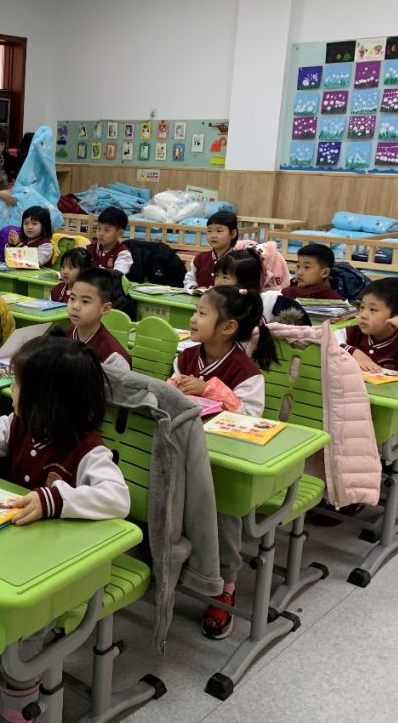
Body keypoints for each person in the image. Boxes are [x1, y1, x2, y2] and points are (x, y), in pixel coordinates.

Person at [0, 336, 129, 721]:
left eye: (17, 383)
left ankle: (19, 700)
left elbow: (118, 497)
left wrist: (55, 500)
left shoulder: (88, 449)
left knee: (31, 627)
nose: (10, 389)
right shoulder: (18, 424)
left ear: (48, 398)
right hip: (7, 553)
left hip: (55, 569)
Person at [169, 286, 276, 640]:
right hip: (187, 449)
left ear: (228, 327)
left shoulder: (246, 371)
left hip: (226, 461)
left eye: (202, 313)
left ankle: (225, 585)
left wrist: (208, 390)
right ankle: (179, 567)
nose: (192, 319)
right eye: (195, 311)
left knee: (223, 516)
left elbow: (250, 417)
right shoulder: (187, 355)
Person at [339, 279, 398, 375]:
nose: (363, 315)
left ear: (397, 318)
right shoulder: (354, 332)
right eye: (362, 307)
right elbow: (331, 340)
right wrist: (354, 352)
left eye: (373, 309)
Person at [214, 248, 309, 325]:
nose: (218, 282)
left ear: (246, 282)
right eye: (216, 276)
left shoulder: (268, 302)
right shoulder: (215, 301)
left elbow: (299, 318)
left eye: (225, 277)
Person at [64, 268, 132, 373]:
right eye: (72, 298)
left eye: (85, 301)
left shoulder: (114, 357)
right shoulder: (61, 337)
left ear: (105, 308)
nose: (75, 306)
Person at [184, 210, 238, 291]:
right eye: (209, 231)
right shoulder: (199, 258)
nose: (213, 235)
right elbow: (189, 279)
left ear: (233, 233)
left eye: (219, 231)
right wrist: (195, 288)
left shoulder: (239, 260)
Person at [90, 207, 133, 275]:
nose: (101, 234)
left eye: (106, 230)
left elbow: (117, 275)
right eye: (99, 228)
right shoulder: (91, 248)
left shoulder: (123, 254)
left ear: (119, 233)